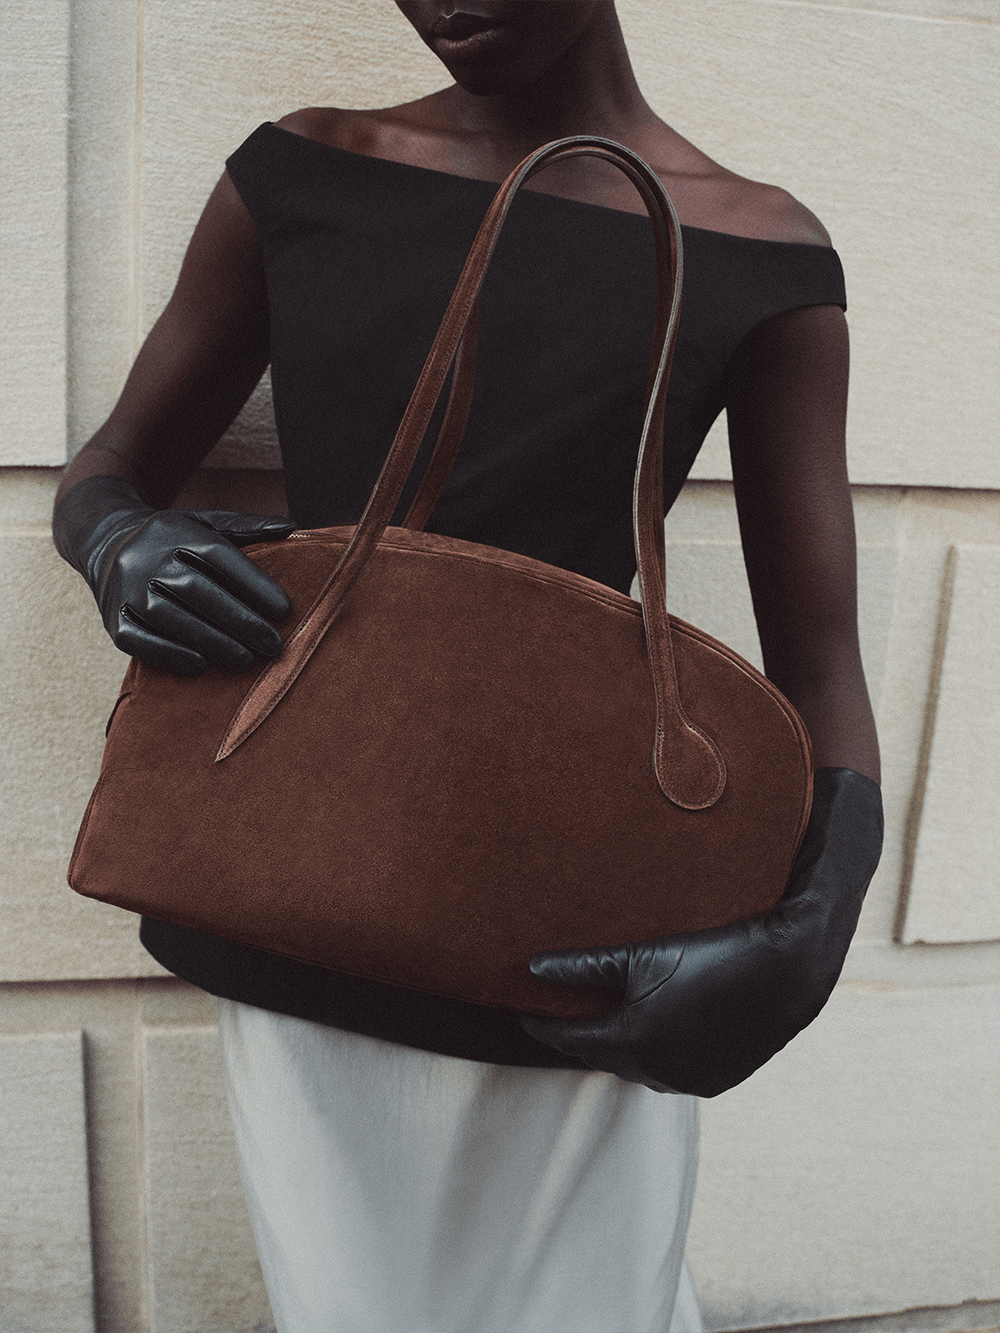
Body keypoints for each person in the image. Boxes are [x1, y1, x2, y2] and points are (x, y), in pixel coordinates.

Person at [53, 3, 883, 1330]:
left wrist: (813, 934)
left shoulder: (758, 250)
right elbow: (112, 465)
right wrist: (118, 545)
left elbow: (820, 658)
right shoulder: (305, 169)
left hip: (581, 925)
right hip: (306, 873)